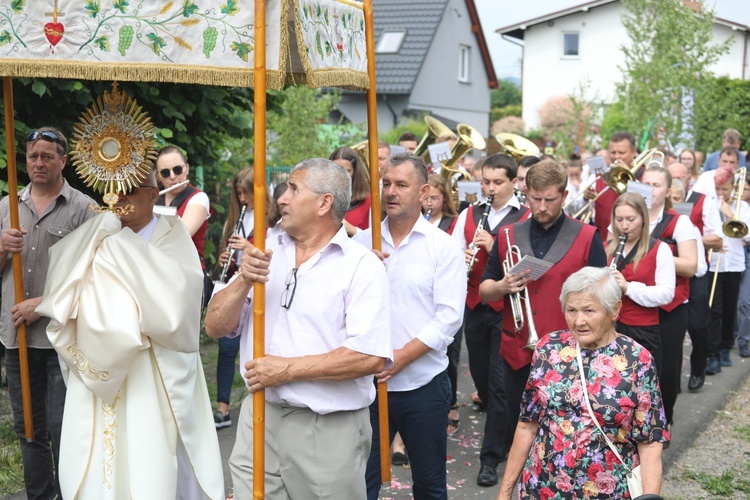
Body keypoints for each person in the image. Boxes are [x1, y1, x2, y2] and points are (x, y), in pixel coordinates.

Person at [205, 158, 391, 499]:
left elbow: (370, 357)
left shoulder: (361, 266)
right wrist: (243, 280)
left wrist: (286, 370)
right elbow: (214, 326)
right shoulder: (264, 252)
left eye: (294, 189)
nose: (281, 199)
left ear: (324, 203)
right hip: (259, 416)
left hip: (327, 430)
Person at [37, 170, 224, 499]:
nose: (119, 197)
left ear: (153, 194)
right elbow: (63, 295)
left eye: (129, 190)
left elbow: (180, 304)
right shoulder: (92, 235)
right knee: (100, 456)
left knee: (149, 452)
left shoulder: (173, 235)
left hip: (152, 370)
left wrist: (121, 254)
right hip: (97, 364)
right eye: (112, 189)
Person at [479, 159, 607, 480]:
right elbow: (484, 290)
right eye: (535, 198)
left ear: (564, 195)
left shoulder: (587, 236)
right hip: (517, 352)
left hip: (570, 357)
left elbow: (603, 300)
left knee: (566, 438)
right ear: (526, 193)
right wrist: (502, 286)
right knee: (518, 431)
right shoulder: (508, 234)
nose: (542, 206)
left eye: (550, 199)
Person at [496, 267, 669, 499]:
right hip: (542, 487)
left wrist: (650, 496)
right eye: (571, 310)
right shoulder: (549, 349)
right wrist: (505, 492)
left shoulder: (638, 360)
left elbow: (649, 440)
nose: (579, 321)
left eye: (589, 311)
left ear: (614, 310)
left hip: (608, 492)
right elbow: (528, 423)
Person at [356, 153, 465, 500]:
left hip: (424, 386)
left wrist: (402, 356)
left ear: (423, 191)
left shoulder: (443, 247)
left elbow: (449, 317)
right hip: (368, 386)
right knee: (361, 483)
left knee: (430, 487)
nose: (391, 191)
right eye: (386, 184)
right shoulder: (361, 244)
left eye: (401, 184)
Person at [0, 127, 96, 499]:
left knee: (63, 429)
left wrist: (42, 304)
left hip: (62, 340)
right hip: (17, 338)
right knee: (29, 430)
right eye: (32, 156)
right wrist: (3, 248)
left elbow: (92, 278)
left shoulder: (84, 210)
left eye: (47, 156)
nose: (38, 163)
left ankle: (70, 493)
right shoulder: (6, 206)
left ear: (63, 161)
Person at [453, 153, 529, 487]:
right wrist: (464, 256)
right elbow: (450, 256)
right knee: (483, 382)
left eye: (498, 182)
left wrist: (494, 243)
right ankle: (512, 434)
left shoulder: (525, 217)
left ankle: (490, 458)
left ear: (514, 182)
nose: (490, 188)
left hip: (508, 309)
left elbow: (530, 262)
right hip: (474, 304)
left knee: (499, 386)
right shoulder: (469, 214)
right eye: (486, 182)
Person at [640, 166, 698, 430]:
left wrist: (655, 255)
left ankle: (664, 421)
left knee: (666, 370)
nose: (650, 190)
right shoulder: (628, 216)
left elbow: (690, 266)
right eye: (646, 184)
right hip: (634, 305)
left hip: (669, 308)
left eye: (656, 185)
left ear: (668, 190)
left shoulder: (679, 222)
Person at [214, 167, 266, 429]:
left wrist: (248, 247)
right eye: (239, 194)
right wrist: (224, 257)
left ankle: (254, 402)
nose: (243, 199)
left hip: (258, 291)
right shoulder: (235, 219)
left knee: (253, 349)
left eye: (246, 192)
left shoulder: (271, 219)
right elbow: (227, 253)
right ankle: (223, 407)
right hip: (235, 285)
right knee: (226, 348)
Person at [668, 162, 722, 392]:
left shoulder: (704, 201)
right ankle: (673, 380)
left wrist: (689, 236)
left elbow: (718, 240)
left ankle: (699, 368)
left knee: (699, 325)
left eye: (681, 177)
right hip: (670, 270)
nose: (678, 181)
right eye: (672, 178)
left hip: (697, 270)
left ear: (690, 178)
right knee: (673, 329)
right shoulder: (659, 206)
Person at [608, 193, 676, 368]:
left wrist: (628, 287)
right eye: (619, 219)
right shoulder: (607, 249)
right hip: (609, 330)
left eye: (631, 219)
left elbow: (666, 294)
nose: (624, 226)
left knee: (643, 390)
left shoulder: (660, 249)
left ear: (643, 219)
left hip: (643, 332)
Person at [706, 166, 750, 374]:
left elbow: (748, 236)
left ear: (733, 187)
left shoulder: (742, 206)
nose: (721, 193)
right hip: (714, 262)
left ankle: (725, 348)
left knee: (730, 309)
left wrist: (731, 214)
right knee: (714, 310)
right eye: (717, 188)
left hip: (733, 263)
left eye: (724, 188)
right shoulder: (709, 203)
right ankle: (713, 352)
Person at [155, 145, 212, 304]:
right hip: (158, 275)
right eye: (165, 173)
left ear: (186, 169)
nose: (172, 177)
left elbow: (181, 234)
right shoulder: (154, 200)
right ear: (158, 176)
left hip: (188, 275)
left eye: (177, 170)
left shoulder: (198, 198)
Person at [586, 131, 639, 241]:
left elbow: (648, 205)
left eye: (621, 152)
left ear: (634, 152)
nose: (616, 157)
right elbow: (577, 209)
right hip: (602, 239)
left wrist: (629, 175)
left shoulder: (646, 175)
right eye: (613, 152)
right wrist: (585, 198)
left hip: (633, 241)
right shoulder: (598, 176)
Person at [330, 146, 372, 234]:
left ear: (355, 172)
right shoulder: (321, 198)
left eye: (347, 171)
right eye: (336, 170)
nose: (341, 175)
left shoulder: (369, 201)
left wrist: (352, 230)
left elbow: (375, 239)